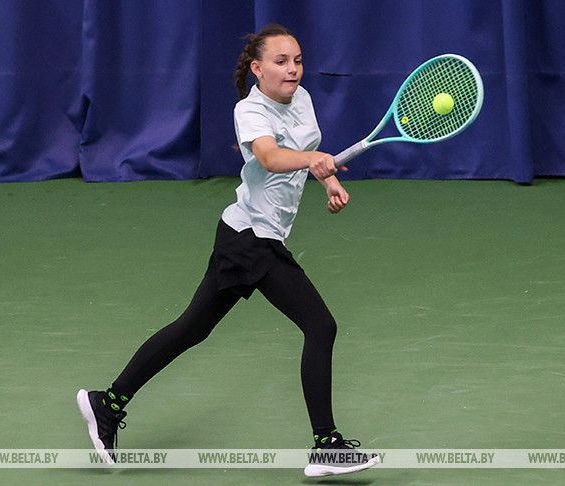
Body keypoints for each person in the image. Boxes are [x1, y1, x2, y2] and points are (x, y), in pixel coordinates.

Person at [77, 23, 378, 477]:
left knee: (190, 329)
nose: (292, 69)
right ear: (257, 69)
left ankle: (108, 402)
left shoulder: (303, 100)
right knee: (321, 326)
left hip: (247, 236)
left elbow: (304, 152)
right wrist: (316, 163)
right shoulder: (250, 111)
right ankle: (327, 446)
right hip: (251, 239)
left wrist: (328, 177)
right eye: (281, 62)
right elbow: (273, 157)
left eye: (297, 60)